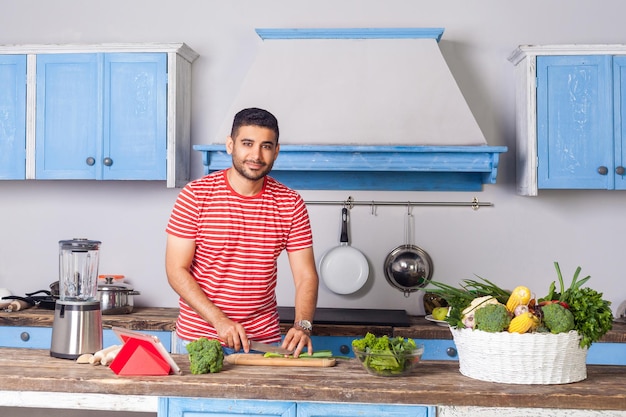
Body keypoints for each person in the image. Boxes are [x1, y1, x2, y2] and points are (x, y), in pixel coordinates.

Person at [165, 107, 319, 357]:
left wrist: (303, 325)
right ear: (230, 145)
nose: (256, 155)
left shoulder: (291, 204)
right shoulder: (195, 196)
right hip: (199, 340)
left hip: (262, 344)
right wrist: (219, 320)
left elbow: (306, 276)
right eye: (247, 143)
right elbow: (175, 270)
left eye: (266, 146)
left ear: (276, 151)